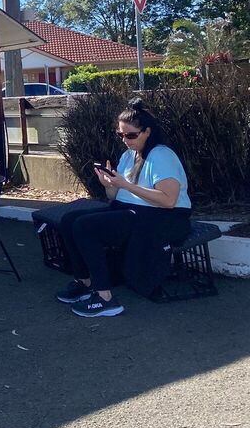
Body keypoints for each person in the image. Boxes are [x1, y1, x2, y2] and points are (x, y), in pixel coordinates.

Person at [54, 98, 192, 318]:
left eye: (131, 135)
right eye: (121, 135)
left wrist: (126, 185)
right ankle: (85, 281)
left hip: (163, 216)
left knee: (85, 226)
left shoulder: (161, 155)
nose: (125, 140)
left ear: (147, 132)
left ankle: (105, 298)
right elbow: (115, 197)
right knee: (69, 220)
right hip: (129, 209)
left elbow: (168, 201)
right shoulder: (129, 155)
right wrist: (109, 185)